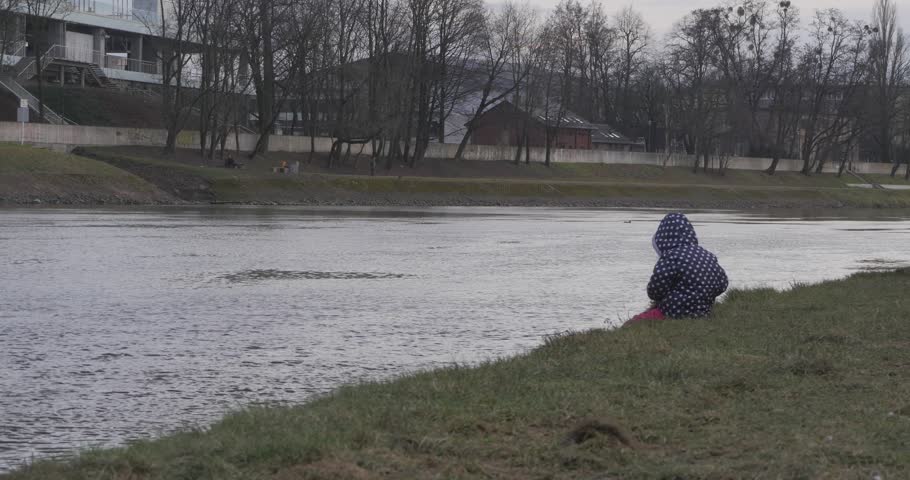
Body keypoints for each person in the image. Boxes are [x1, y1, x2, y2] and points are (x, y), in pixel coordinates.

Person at [624, 212, 728, 326]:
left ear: (663, 238)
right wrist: (705, 296)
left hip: (674, 311)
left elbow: (655, 289)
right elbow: (723, 283)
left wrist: (663, 297)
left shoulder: (671, 257)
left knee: (632, 324)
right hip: (703, 311)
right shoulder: (707, 255)